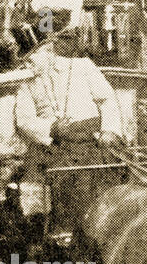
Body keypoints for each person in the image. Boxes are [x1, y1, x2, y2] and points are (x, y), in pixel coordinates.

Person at [14, 28, 125, 241]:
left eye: (44, 52)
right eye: (32, 57)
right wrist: (53, 129)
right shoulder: (26, 82)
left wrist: (110, 130)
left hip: (93, 138)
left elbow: (107, 99)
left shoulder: (83, 66)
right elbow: (24, 121)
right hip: (54, 144)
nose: (35, 61)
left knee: (109, 170)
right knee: (61, 179)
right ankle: (67, 234)